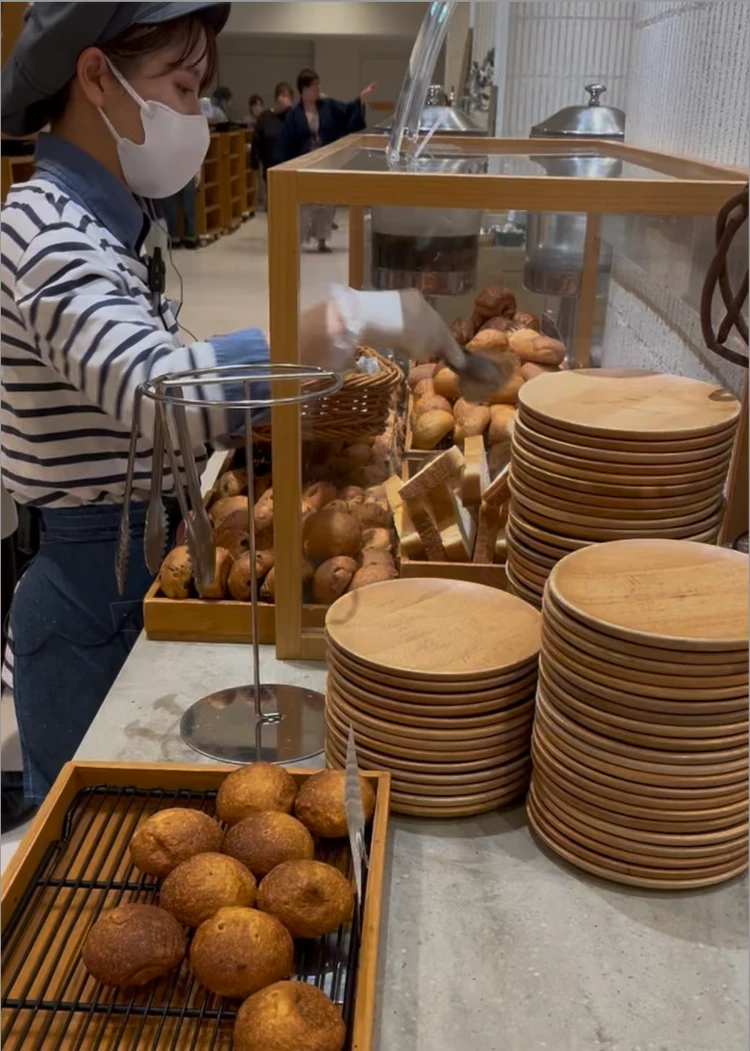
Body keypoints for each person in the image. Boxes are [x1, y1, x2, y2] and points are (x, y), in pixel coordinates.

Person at [0, 2, 467, 828]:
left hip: (137, 557)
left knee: (151, 822)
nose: (196, 114)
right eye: (181, 87)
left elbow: (152, 357)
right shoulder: (42, 230)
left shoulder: (111, 227)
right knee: (90, 833)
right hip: (85, 588)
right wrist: (330, 326)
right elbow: (153, 395)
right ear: (98, 78)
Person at [277, 68, 375, 252]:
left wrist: (360, 98)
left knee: (325, 202)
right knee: (303, 204)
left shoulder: (327, 106)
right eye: (313, 86)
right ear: (303, 89)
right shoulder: (294, 114)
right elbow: (287, 142)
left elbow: (348, 111)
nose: (317, 89)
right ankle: (299, 239)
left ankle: (322, 239)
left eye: (317, 85)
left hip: (325, 161)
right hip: (304, 162)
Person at [249, 81, 293, 185]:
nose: (287, 100)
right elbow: (256, 141)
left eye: (289, 97)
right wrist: (254, 164)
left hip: (290, 168)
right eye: (283, 96)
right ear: (276, 97)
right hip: (270, 167)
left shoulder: (293, 116)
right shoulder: (265, 117)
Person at [161, 174, 200, 247]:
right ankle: (173, 237)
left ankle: (189, 237)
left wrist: (198, 174)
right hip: (170, 177)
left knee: (188, 208)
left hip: (186, 176)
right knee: (170, 209)